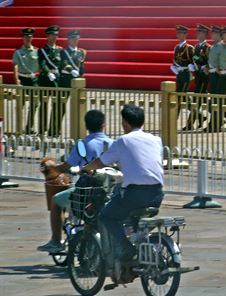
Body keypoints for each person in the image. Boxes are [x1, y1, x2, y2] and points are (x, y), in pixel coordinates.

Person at [81, 105, 164, 261]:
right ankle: (139, 251)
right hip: (157, 193)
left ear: (125, 123)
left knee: (107, 217)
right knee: (132, 218)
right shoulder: (156, 140)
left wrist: (85, 168)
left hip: (134, 194)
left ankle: (126, 249)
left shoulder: (123, 141)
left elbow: (101, 162)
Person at [37, 110, 113, 253]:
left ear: (86, 126)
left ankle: (56, 241)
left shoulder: (82, 145)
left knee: (56, 201)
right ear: (104, 125)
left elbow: (66, 167)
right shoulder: (113, 143)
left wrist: (52, 167)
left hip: (88, 192)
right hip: (109, 191)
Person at [52, 30, 86, 137]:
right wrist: (71, 70)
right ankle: (54, 130)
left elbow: (81, 66)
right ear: (69, 40)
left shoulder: (81, 52)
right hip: (65, 80)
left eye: (77, 38)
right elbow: (64, 63)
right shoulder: (63, 51)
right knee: (60, 106)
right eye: (73, 39)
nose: (76, 41)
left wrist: (81, 75)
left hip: (77, 82)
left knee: (78, 107)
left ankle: (78, 131)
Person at [13, 28, 40, 134]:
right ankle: (19, 128)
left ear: (32, 38)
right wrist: (17, 80)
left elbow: (40, 66)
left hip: (33, 80)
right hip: (22, 79)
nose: (28, 39)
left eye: (29, 37)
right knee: (20, 104)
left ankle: (29, 127)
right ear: (22, 38)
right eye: (25, 37)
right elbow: (15, 66)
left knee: (35, 103)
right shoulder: (18, 52)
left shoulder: (36, 51)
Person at [38, 25, 63, 136]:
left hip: (56, 80)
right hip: (44, 79)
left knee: (57, 105)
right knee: (44, 105)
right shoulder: (42, 50)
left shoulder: (60, 50)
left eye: (56, 35)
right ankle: (42, 129)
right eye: (52, 35)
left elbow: (62, 64)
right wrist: (48, 72)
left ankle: (54, 130)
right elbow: (42, 64)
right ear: (47, 36)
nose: (54, 37)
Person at [171, 25, 195, 130]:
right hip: (180, 74)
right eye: (178, 33)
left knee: (180, 97)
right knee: (181, 97)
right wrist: (174, 66)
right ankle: (198, 115)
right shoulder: (177, 47)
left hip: (186, 74)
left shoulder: (189, 48)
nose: (179, 35)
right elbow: (175, 59)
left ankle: (173, 120)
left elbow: (193, 61)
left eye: (182, 33)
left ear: (186, 35)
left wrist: (190, 66)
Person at [188, 24, 211, 130]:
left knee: (197, 99)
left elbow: (210, 62)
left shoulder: (207, 47)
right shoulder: (197, 46)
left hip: (204, 76)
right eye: (197, 32)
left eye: (200, 32)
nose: (197, 34)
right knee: (202, 100)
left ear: (205, 34)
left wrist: (204, 67)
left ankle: (190, 123)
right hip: (198, 75)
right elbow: (195, 58)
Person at [205, 25, 223, 133]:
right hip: (212, 75)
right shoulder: (212, 47)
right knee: (213, 100)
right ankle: (215, 122)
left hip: (218, 75)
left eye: (214, 33)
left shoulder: (222, 47)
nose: (212, 35)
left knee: (217, 100)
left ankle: (215, 123)